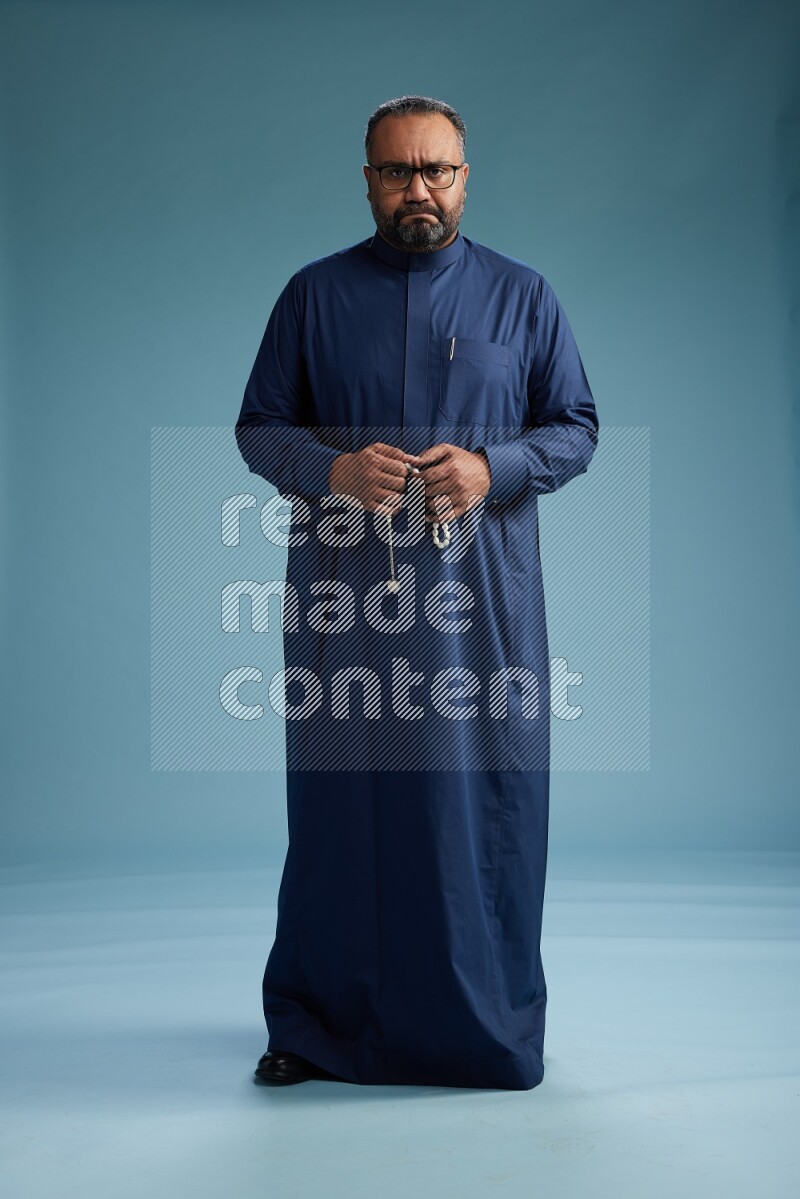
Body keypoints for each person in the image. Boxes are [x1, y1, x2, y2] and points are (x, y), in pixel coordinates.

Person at [235, 95, 599, 1090]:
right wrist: (329, 470)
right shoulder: (313, 296)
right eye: (397, 171)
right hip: (346, 602)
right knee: (339, 810)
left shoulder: (522, 297)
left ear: (465, 179)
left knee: (480, 805)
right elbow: (260, 425)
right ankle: (316, 1026)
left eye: (436, 169)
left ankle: (487, 1027)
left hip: (480, 606)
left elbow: (574, 426)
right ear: (368, 181)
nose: (418, 189)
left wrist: (494, 467)